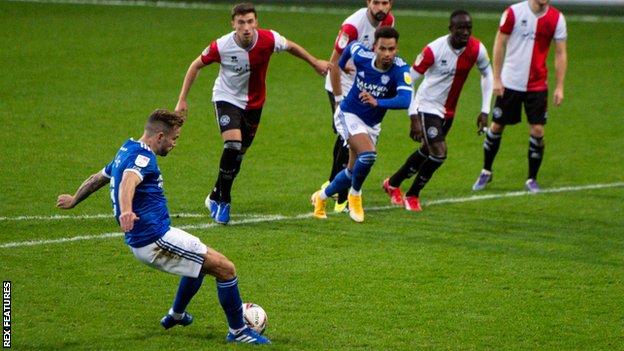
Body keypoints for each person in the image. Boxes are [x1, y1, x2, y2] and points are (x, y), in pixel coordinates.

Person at [56, 110, 270, 345]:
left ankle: (176, 315)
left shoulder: (126, 149)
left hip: (149, 239)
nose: (174, 144)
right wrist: (126, 210)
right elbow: (129, 179)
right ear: (159, 136)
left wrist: (75, 198)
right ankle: (238, 331)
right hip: (154, 239)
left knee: (198, 265)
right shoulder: (143, 158)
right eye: (174, 139)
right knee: (226, 269)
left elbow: (99, 177)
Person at [175, 2, 331, 224]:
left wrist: (315, 62)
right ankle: (224, 200)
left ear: (256, 22)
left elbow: (291, 47)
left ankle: (214, 194)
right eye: (241, 23)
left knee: (238, 156)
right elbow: (195, 65)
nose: (246, 27)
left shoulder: (269, 39)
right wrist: (182, 99)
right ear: (233, 24)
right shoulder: (222, 45)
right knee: (232, 145)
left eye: (250, 22)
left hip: (254, 104)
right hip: (226, 97)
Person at [382, 10, 493, 211]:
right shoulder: (434, 50)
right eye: (460, 28)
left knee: (427, 151)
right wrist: (413, 116)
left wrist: (485, 110)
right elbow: (408, 79)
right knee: (439, 153)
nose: (465, 32)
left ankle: (392, 183)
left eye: (468, 28)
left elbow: (487, 73)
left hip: (448, 111)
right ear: (450, 29)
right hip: (427, 106)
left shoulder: (477, 49)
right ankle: (412, 195)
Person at [311, 27, 412, 223]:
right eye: (383, 49)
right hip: (349, 114)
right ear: (374, 47)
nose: (387, 54)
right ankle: (355, 195)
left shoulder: (400, 69)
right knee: (368, 155)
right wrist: (342, 65)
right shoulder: (362, 55)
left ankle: (321, 197)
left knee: (351, 171)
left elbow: (406, 100)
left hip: (372, 124)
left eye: (391, 49)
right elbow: (348, 48)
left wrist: (378, 102)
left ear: (396, 49)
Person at [472, 0, 567, 193]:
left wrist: (560, 86)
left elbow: (560, 53)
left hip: (538, 85)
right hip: (511, 82)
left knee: (538, 130)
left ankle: (532, 179)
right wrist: (497, 78)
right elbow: (500, 42)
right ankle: (486, 170)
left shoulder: (557, 18)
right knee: (497, 125)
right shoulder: (513, 13)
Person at [322, 0, 395, 213]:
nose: (380, 7)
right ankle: (342, 198)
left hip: (363, 84)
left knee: (347, 138)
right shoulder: (352, 27)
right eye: (376, 2)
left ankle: (334, 185)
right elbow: (334, 64)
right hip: (341, 84)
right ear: (368, 3)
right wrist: (337, 99)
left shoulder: (388, 21)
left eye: (385, 2)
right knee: (351, 140)